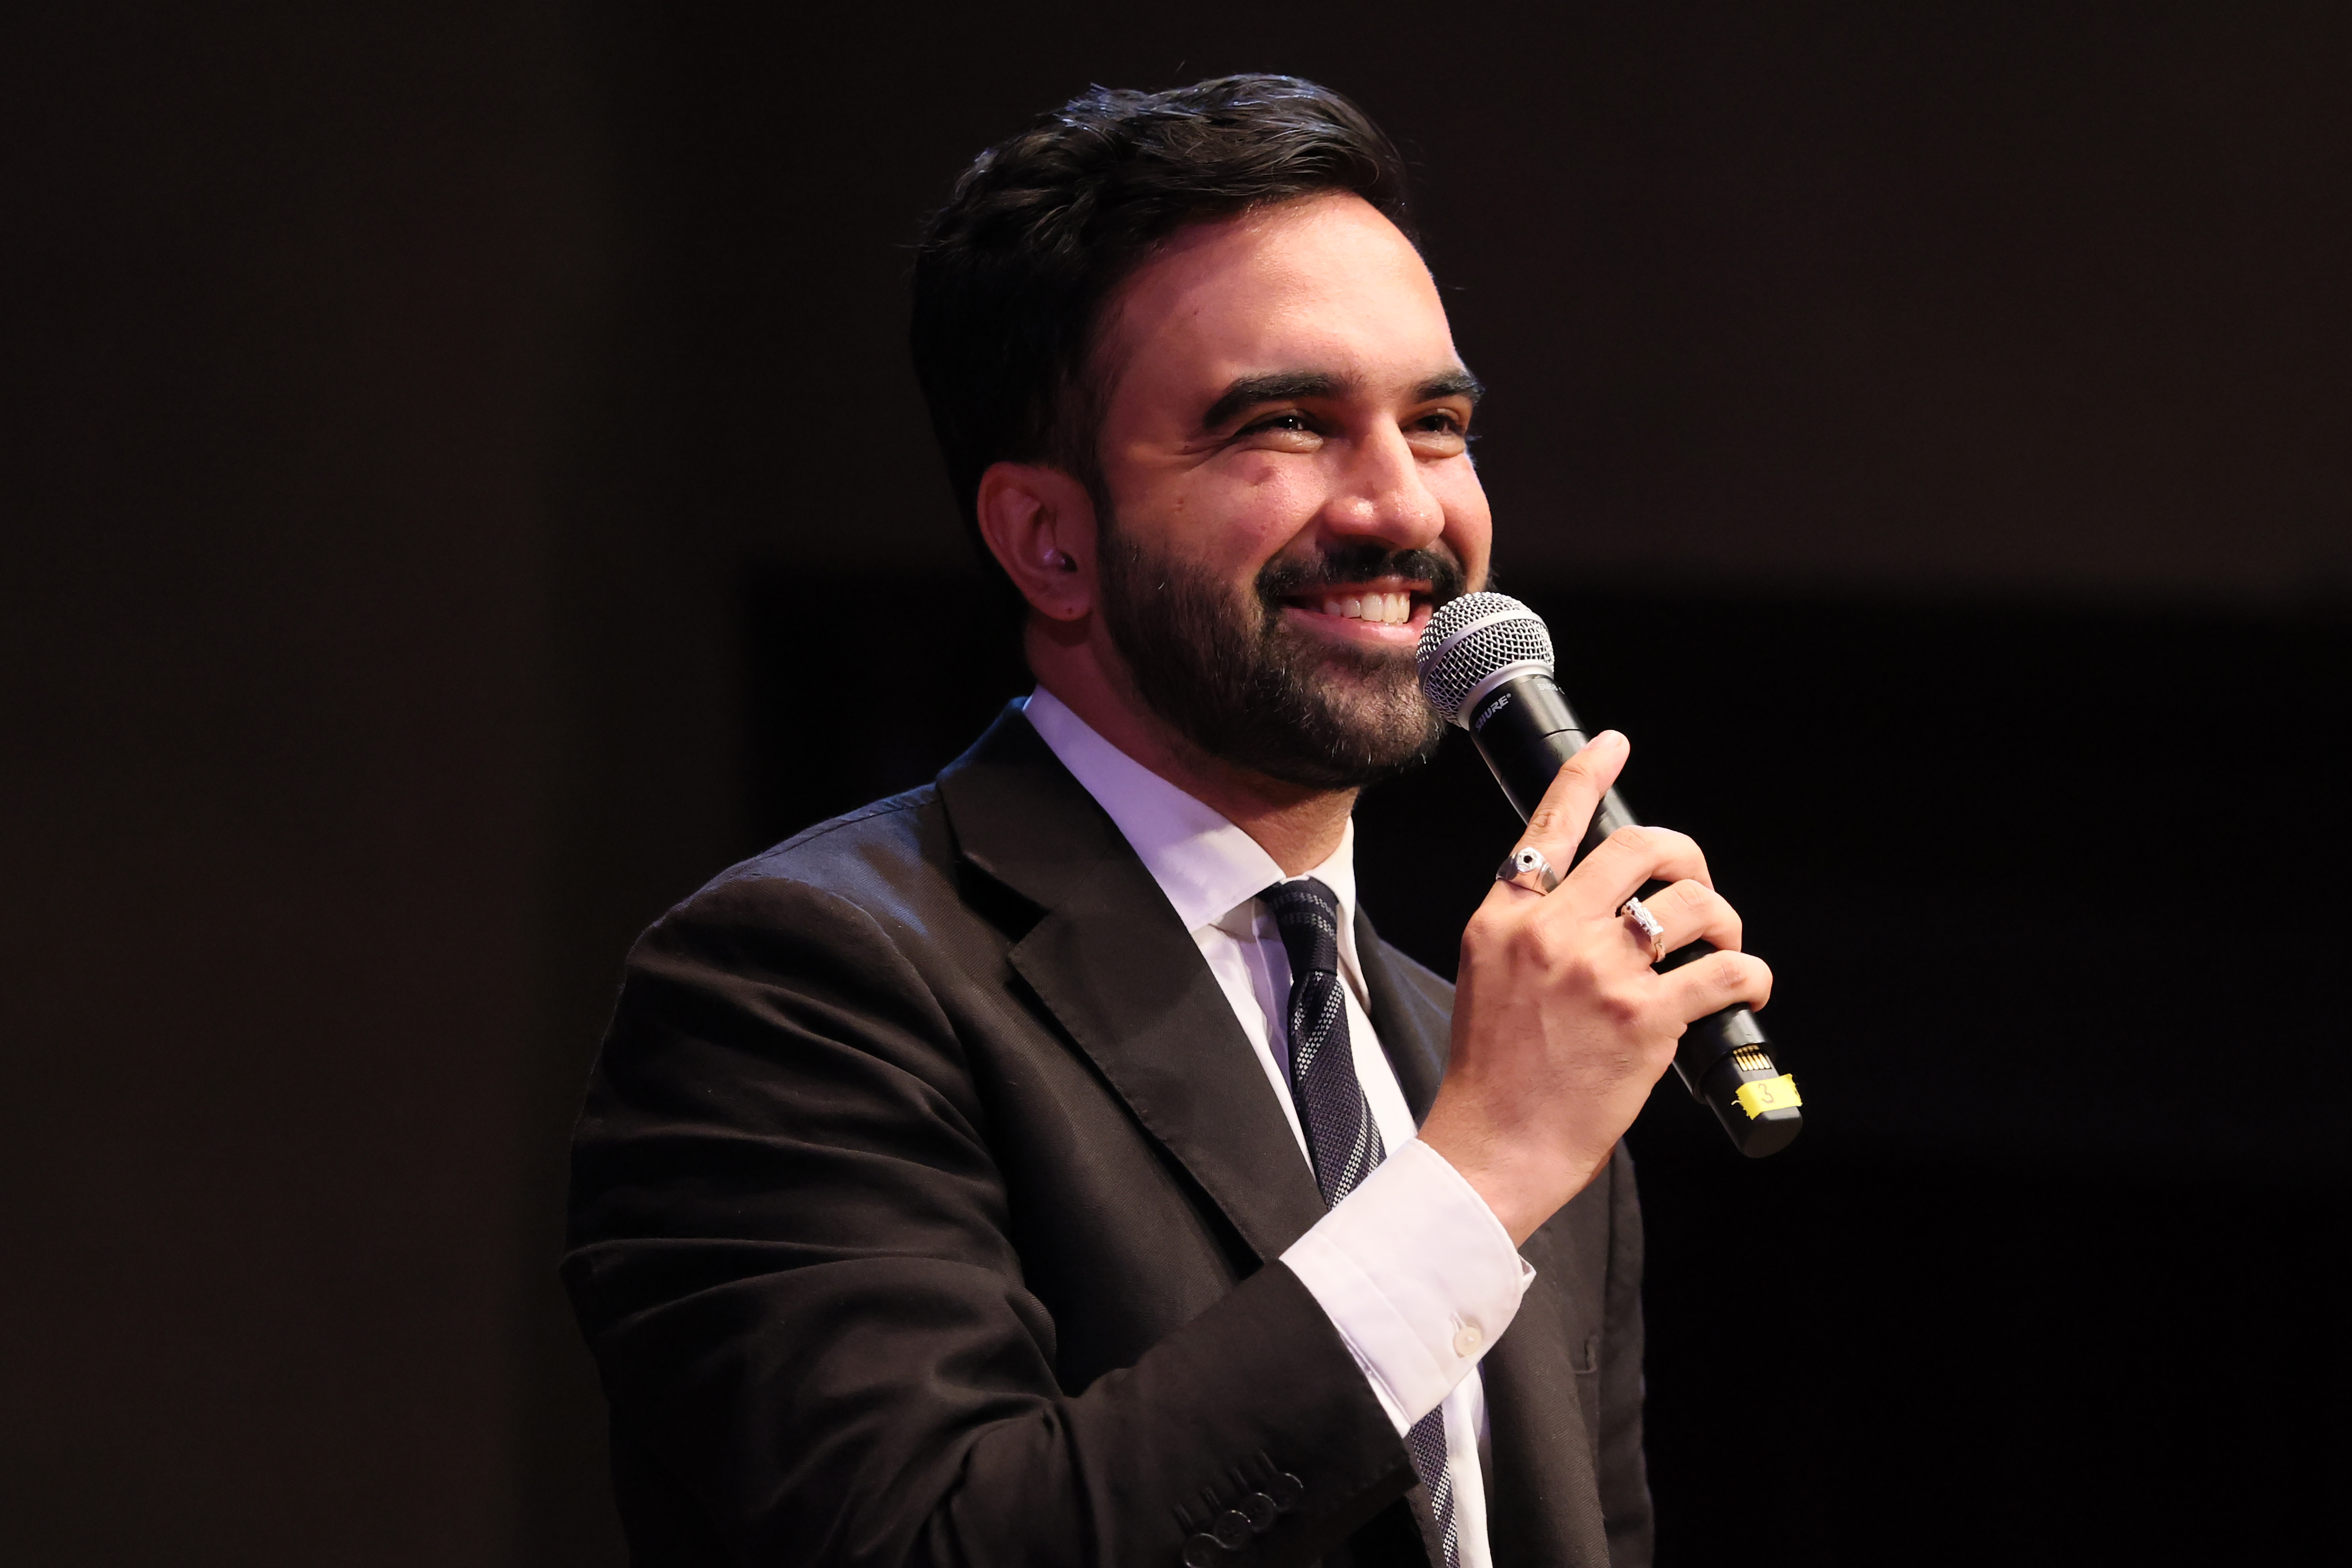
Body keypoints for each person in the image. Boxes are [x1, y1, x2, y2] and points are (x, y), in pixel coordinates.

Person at [563, 74, 1770, 1568]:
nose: (1402, 508)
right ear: (1049, 540)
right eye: (1285, 424)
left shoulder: (1479, 1055)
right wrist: (1476, 1178)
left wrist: (1500, 1148)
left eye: (1438, 422)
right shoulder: (804, 986)